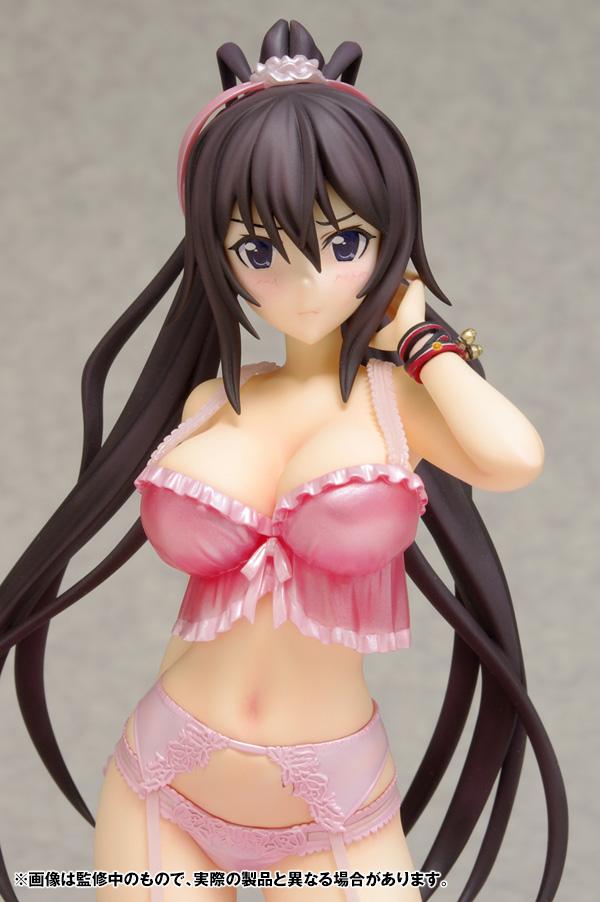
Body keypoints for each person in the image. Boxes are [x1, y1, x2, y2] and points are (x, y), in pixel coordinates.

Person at [0, 18, 567, 902]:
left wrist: (422, 339)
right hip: (164, 776)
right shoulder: (212, 399)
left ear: (392, 232)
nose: (306, 286)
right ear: (217, 255)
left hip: (333, 804)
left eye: (345, 243)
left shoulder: (398, 404)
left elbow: (514, 457)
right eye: (259, 251)